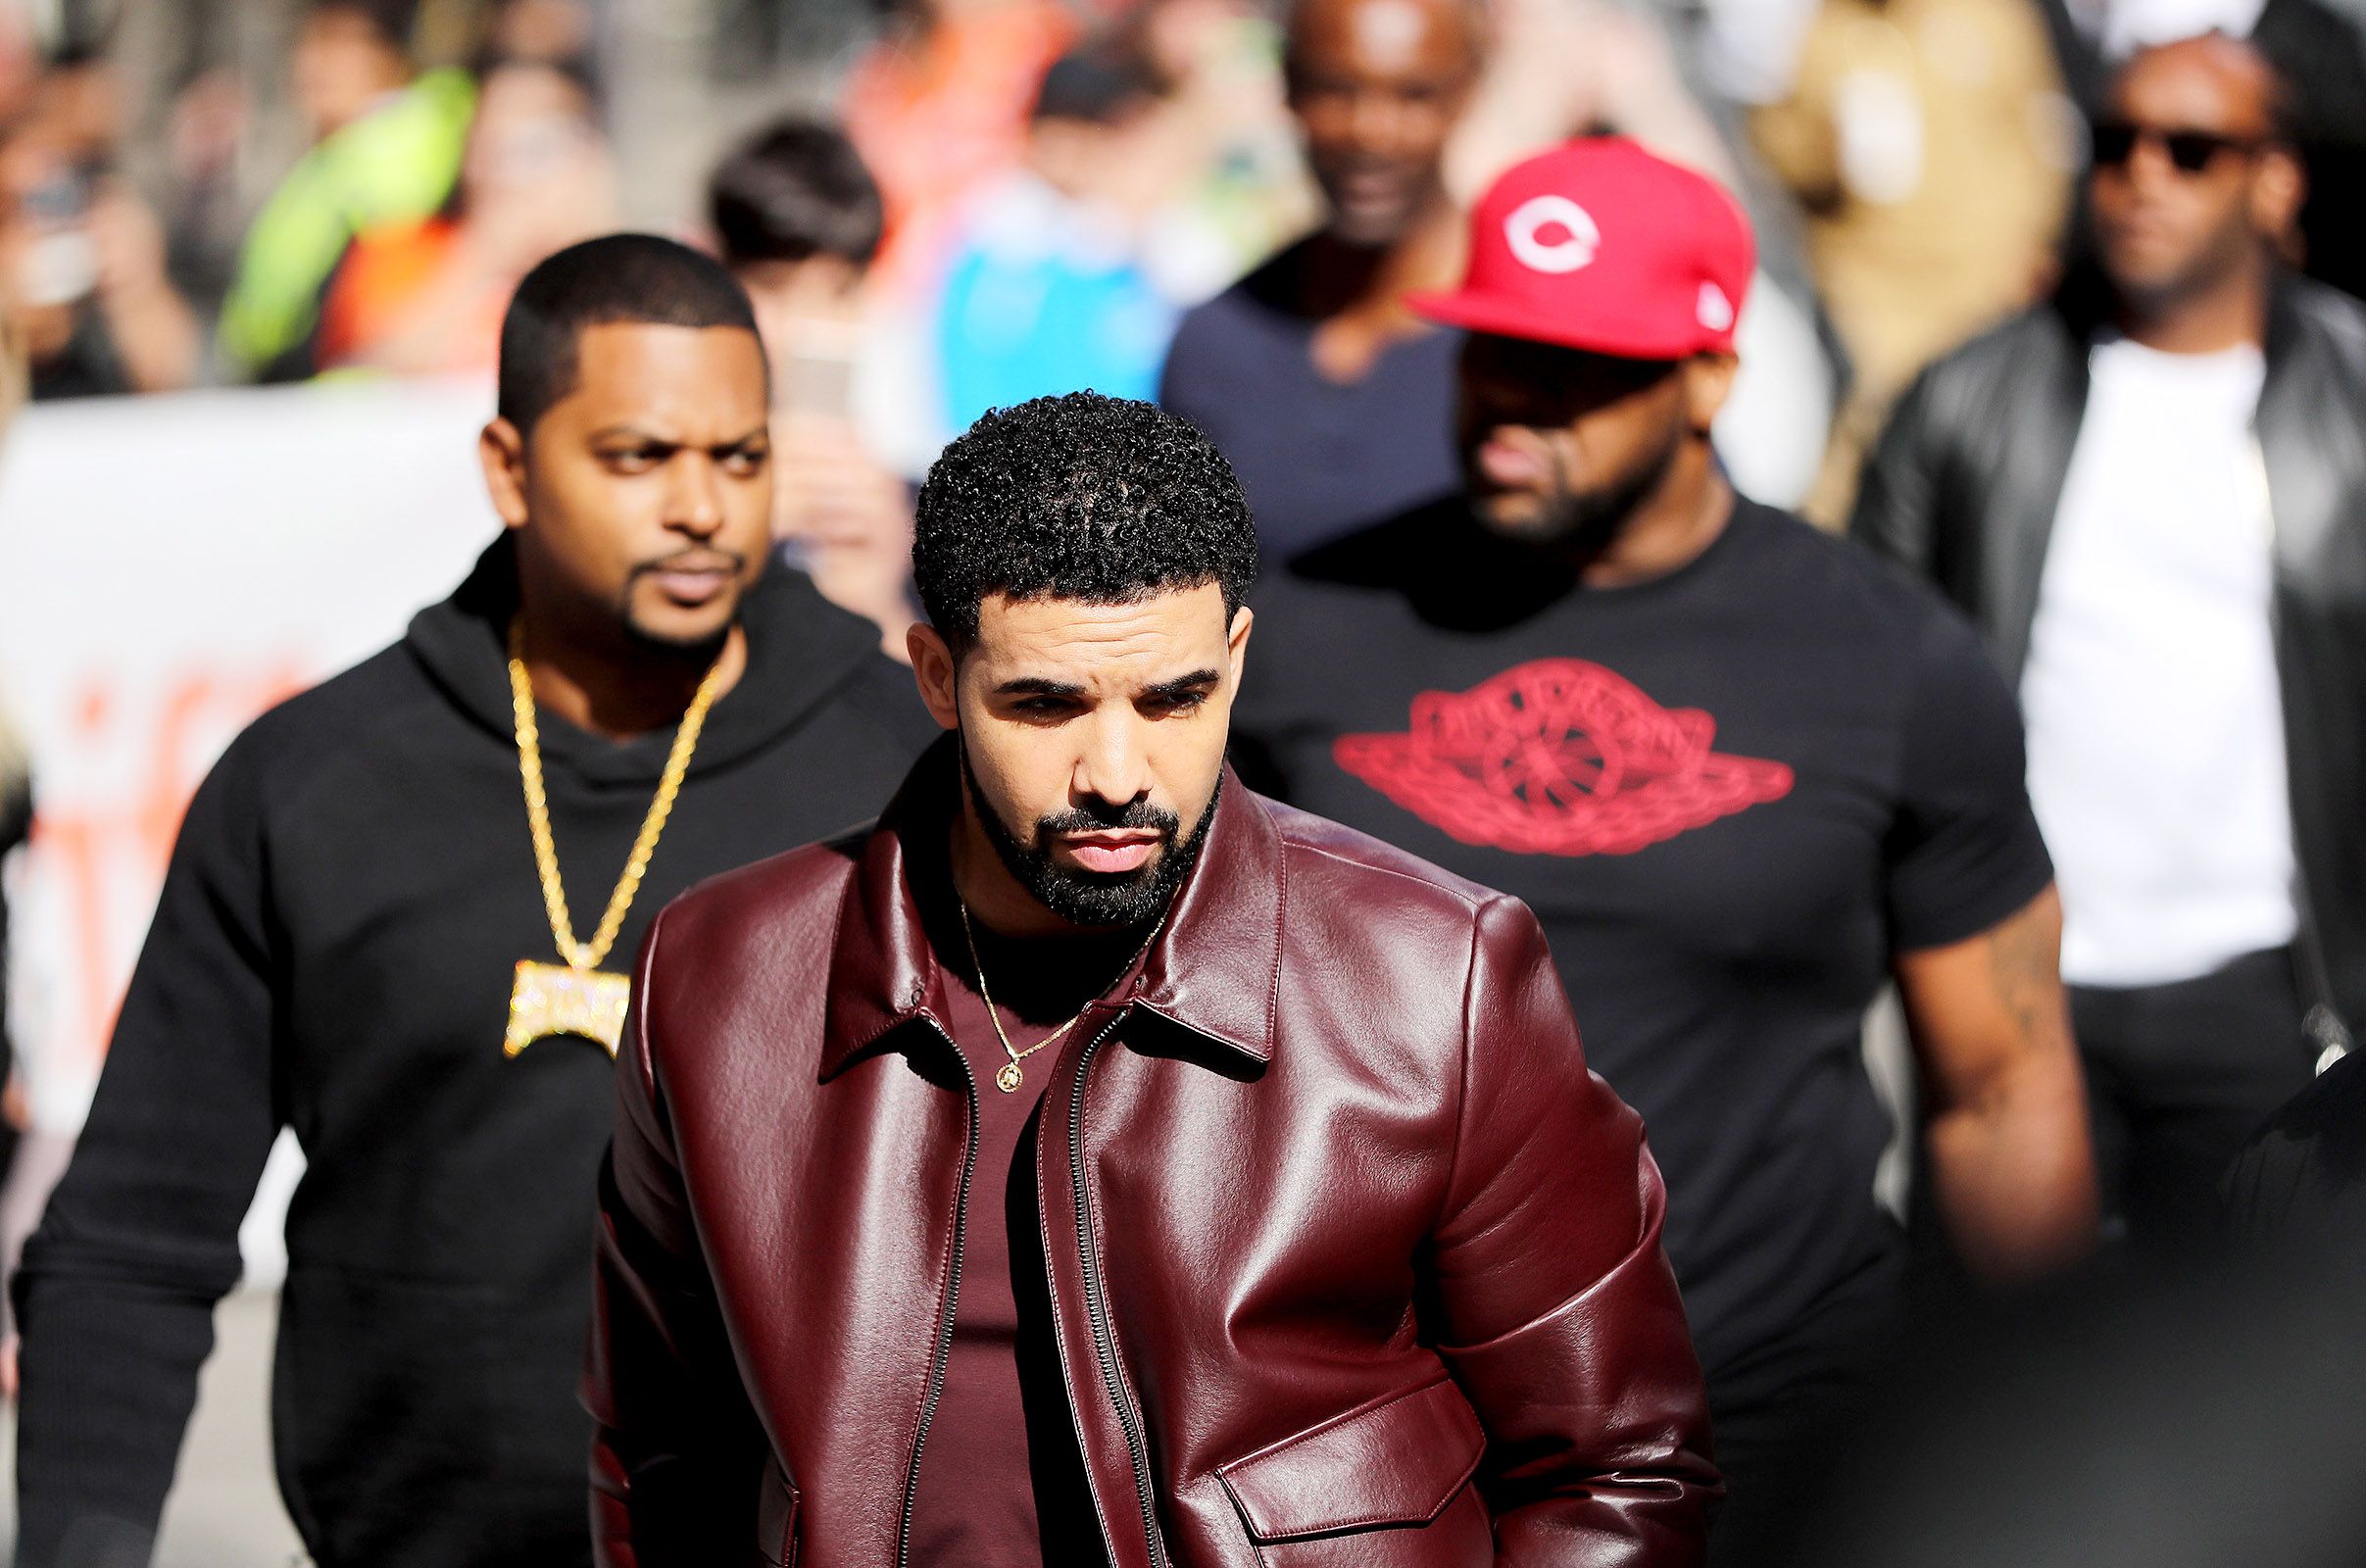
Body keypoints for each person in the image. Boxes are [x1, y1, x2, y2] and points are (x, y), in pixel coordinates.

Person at [583, 391, 1719, 1566]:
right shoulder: (718, 978)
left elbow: (1619, 1464)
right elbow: (656, 1450)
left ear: (1235, 657)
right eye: (1045, 704)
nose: (1118, 774)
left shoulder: (1439, 980)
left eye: (1174, 698)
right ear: (934, 676)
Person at [1229, 139, 2096, 1562]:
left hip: (1762, 1413)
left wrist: (2039, 1423)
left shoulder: (1889, 662)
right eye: (1491, 348)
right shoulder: (1304, 630)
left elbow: (2002, 1084)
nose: (1512, 401)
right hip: (1376, 1423)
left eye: (1576, 368)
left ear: (1708, 378)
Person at [12, 234, 936, 1568]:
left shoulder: (900, 775)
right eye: (639, 456)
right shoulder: (315, 782)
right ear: (508, 468)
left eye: (739, 458)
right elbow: (132, 1237)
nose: (702, 507)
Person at [1852, 34, 2362, 1265]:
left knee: (2252, 1355)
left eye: (2189, 150)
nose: (2140, 176)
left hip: (2267, 990)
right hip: (2017, 994)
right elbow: (1868, 674)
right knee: (2012, 1357)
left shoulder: (2351, 393)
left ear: (2273, 180)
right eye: (2113, 142)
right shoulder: (1965, 395)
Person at [1158, 0, 1481, 557]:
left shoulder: (1524, 340)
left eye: (1414, 95)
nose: (1372, 133)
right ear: (1289, 89)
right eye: (1335, 90)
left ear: (1466, 95)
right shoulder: (1217, 341)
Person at [1750, 0, 2072, 522]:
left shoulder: (1992, 18)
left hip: (1985, 283)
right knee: (1864, 451)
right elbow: (1780, 152)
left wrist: (2033, 245)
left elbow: (2038, 136)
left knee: (1976, 453)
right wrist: (1825, 146)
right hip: (1871, 290)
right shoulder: (1825, 33)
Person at [711, 115, 923, 659]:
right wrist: (736, 535)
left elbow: (925, 700)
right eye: (775, 289)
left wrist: (876, 593)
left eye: (840, 292)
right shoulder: (670, 482)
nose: (810, 326)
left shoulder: (905, 497)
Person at [215, 0, 474, 381]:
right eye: (310, 43)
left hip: (367, 397)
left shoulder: (408, 151)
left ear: (391, 58)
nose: (316, 64)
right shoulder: (327, 158)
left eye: (340, 44)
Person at [314, 52, 615, 376]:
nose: (515, 170)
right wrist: (481, 255)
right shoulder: (399, 246)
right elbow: (363, 374)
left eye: (541, 146)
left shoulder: (614, 269)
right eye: (498, 140)